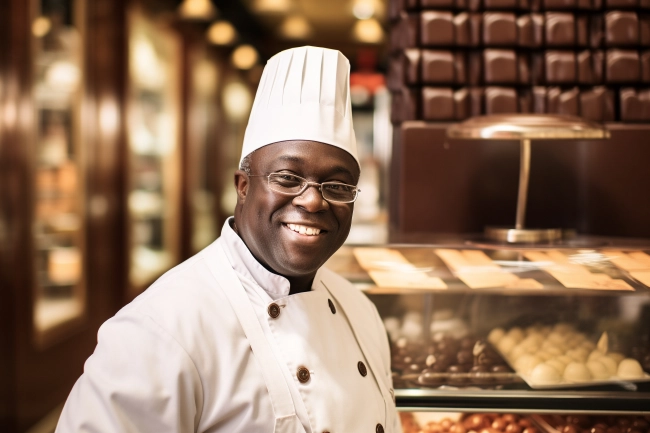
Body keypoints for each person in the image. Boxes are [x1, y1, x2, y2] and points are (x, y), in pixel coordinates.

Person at [56, 46, 400, 433]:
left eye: (337, 185)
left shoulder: (360, 311)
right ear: (242, 186)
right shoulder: (160, 329)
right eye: (287, 178)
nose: (313, 200)